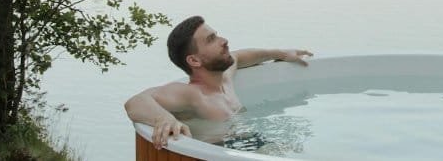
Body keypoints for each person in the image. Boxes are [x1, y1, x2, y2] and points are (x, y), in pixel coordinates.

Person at [124, 15, 313, 149]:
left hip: (249, 145)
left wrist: (280, 53)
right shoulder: (193, 94)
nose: (224, 41)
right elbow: (135, 102)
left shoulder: (225, 81)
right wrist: (163, 118)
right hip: (215, 153)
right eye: (211, 39)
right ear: (194, 61)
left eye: (217, 35)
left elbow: (239, 57)